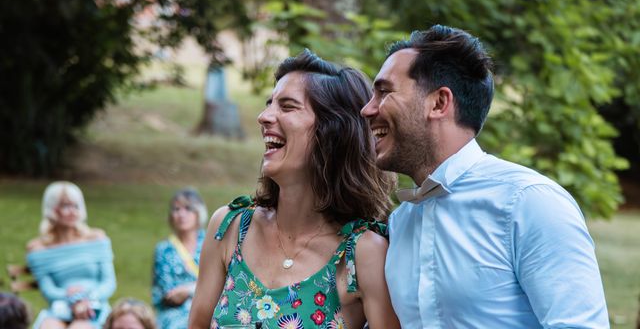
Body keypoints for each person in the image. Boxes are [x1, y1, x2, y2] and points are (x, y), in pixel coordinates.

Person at [361, 24, 609, 328]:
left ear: (438, 103)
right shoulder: (402, 222)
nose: (367, 109)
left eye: (384, 92)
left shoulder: (529, 203)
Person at [190, 50, 400, 329]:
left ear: (333, 132)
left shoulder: (362, 254)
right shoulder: (229, 228)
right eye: (269, 104)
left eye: (287, 107)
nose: (264, 117)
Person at [26, 181, 116, 329]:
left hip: (94, 307)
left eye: (76, 205)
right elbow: (48, 290)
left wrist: (86, 299)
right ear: (52, 209)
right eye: (65, 206)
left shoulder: (96, 239)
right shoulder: (39, 249)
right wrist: (72, 300)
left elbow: (108, 283)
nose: (73, 211)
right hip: (60, 308)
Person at [152, 188, 207, 329]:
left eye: (188, 209)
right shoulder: (164, 249)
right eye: (176, 209)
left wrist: (189, 290)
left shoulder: (212, 242)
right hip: (174, 313)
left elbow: (222, 281)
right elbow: (167, 292)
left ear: (198, 213)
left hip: (208, 307)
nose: (182, 214)